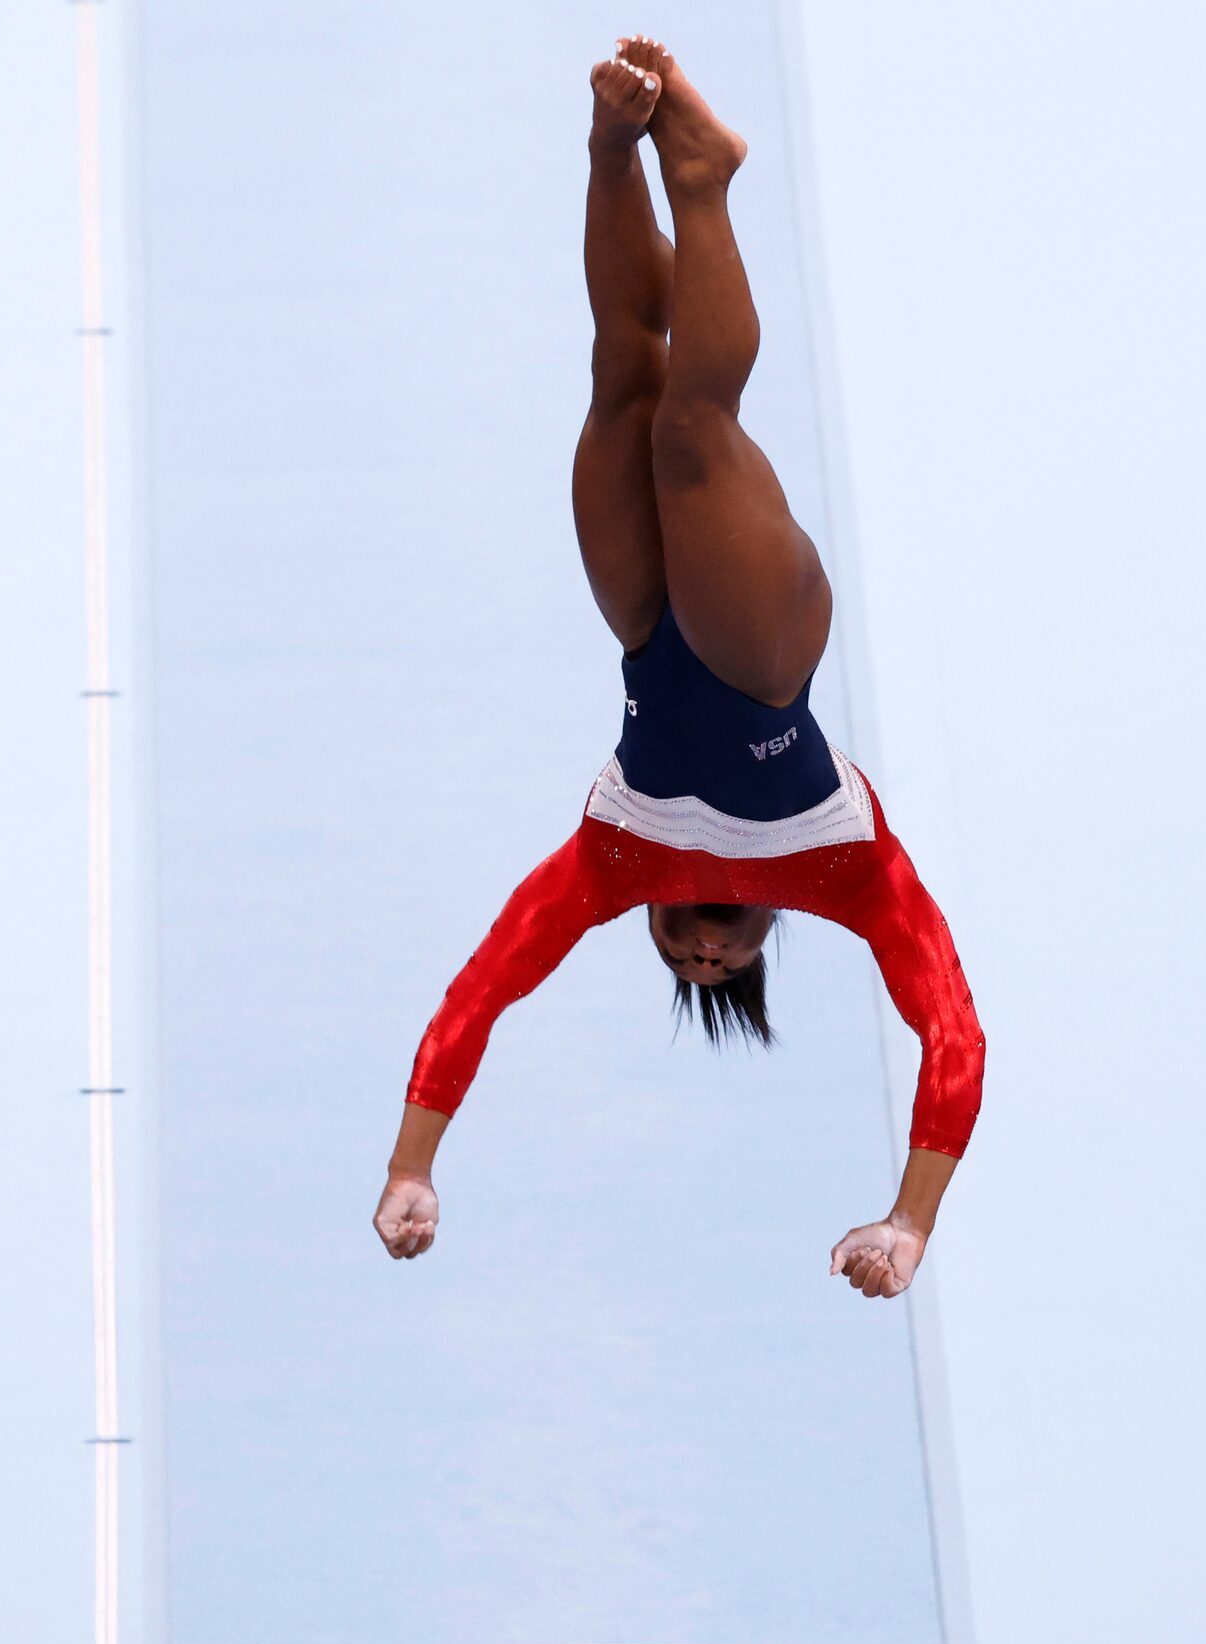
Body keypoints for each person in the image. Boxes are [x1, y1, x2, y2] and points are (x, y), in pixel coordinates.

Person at [371, 38, 982, 1300]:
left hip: (651, 636)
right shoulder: (842, 872)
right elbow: (952, 1031)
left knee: (622, 387)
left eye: (677, 960)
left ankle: (612, 149)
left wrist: (412, 1166)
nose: (700, 955)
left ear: (653, 920)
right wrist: (909, 1222)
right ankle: (699, 176)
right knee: (697, 432)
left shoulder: (611, 863)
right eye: (724, 964)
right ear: (764, 936)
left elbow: (477, 996)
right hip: (760, 653)